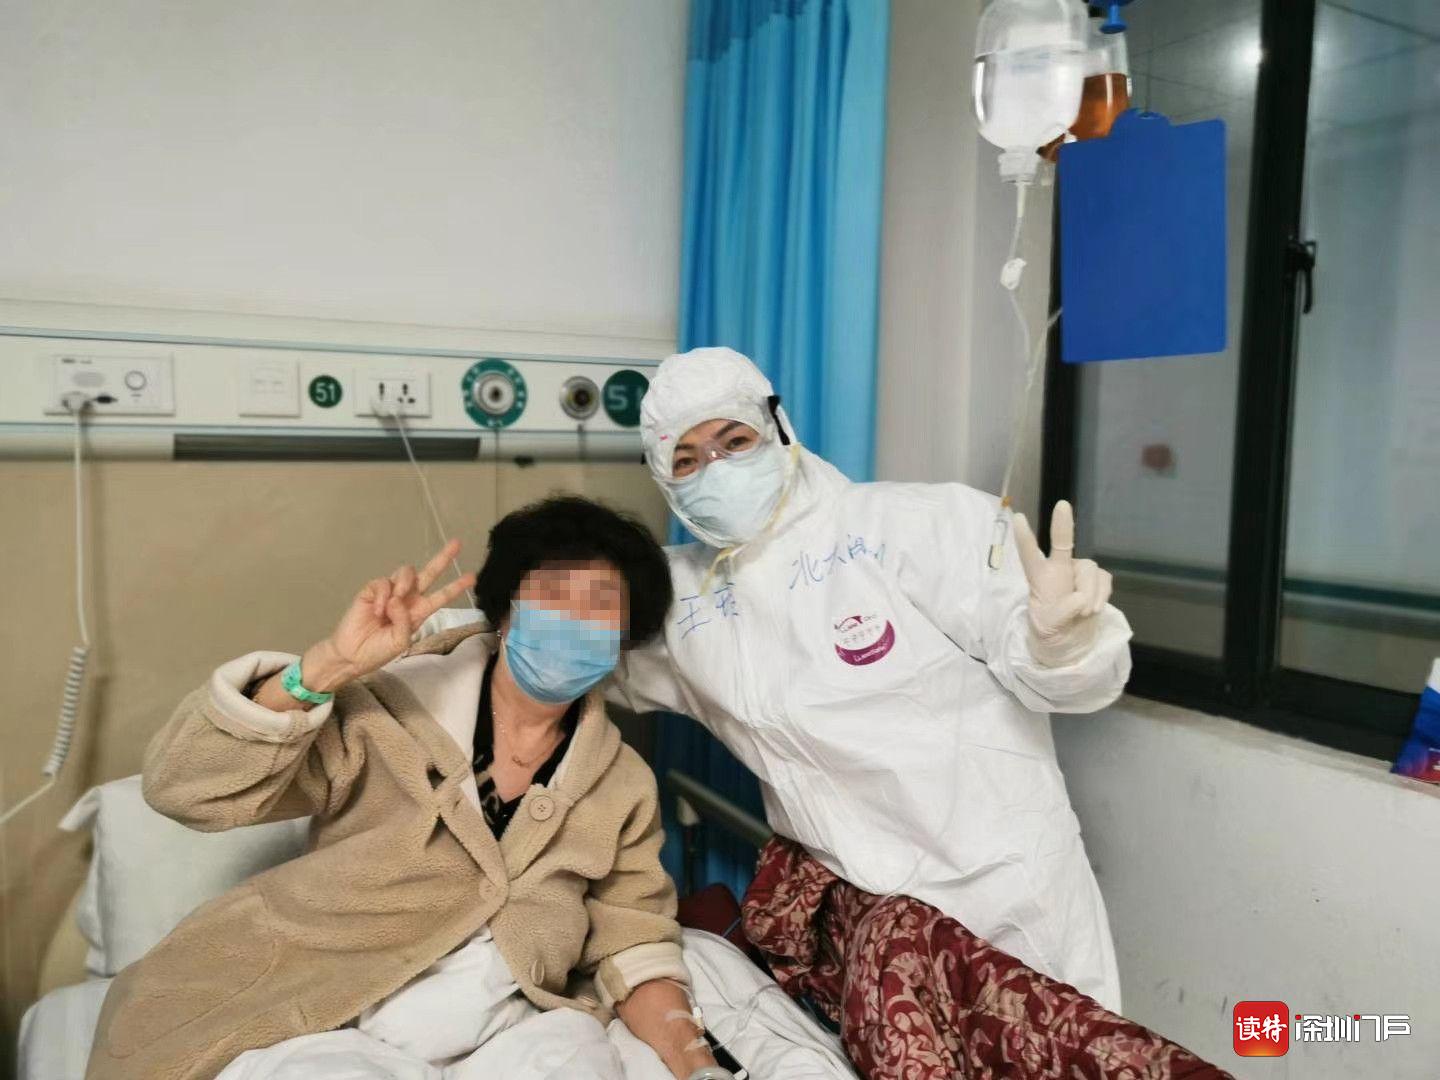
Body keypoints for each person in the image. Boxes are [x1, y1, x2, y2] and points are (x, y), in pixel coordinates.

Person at [609, 348, 1230, 1079]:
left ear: (779, 428)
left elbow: (1067, 678)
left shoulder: (918, 525)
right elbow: (566, 654)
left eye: (734, 440)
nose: (715, 469)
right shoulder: (683, 602)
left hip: (1002, 893)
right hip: (875, 931)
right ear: (665, 481)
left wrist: (1062, 642)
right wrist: (487, 634)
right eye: (686, 460)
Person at [86, 497, 738, 1080]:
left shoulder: (621, 783)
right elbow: (186, 788)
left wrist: (696, 1062)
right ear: (505, 608)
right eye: (553, 595)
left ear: (624, 639)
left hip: (507, 1025)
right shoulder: (385, 712)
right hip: (331, 1008)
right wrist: (325, 669)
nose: (574, 619)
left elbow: (635, 941)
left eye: (600, 606)